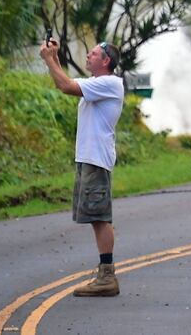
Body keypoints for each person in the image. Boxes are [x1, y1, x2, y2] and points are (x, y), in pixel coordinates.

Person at [39, 39, 124, 297]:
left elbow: (65, 85)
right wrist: (53, 58)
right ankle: (105, 274)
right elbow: (66, 81)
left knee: (100, 216)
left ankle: (107, 276)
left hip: (96, 159)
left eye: (94, 53)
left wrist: (49, 59)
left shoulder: (110, 83)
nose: (88, 55)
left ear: (106, 61)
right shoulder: (98, 85)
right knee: (97, 216)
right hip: (90, 158)